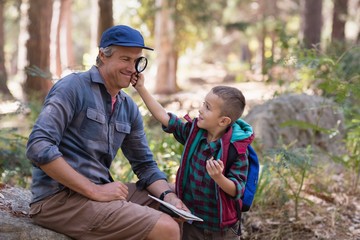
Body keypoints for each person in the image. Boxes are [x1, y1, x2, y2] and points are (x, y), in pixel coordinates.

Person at [26, 25, 188, 240]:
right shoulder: (73, 87)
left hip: (99, 193)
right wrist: (95, 191)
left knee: (181, 203)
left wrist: (169, 197)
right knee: (166, 228)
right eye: (125, 59)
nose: (133, 68)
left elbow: (145, 165)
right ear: (103, 55)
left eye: (137, 61)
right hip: (58, 199)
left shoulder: (127, 106)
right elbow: (39, 146)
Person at [132, 76, 254, 240]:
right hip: (192, 224)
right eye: (204, 104)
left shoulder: (236, 150)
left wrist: (219, 177)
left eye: (208, 108)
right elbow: (165, 118)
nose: (201, 110)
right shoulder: (193, 134)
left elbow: (237, 189)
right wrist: (141, 88)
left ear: (223, 121)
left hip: (223, 231)